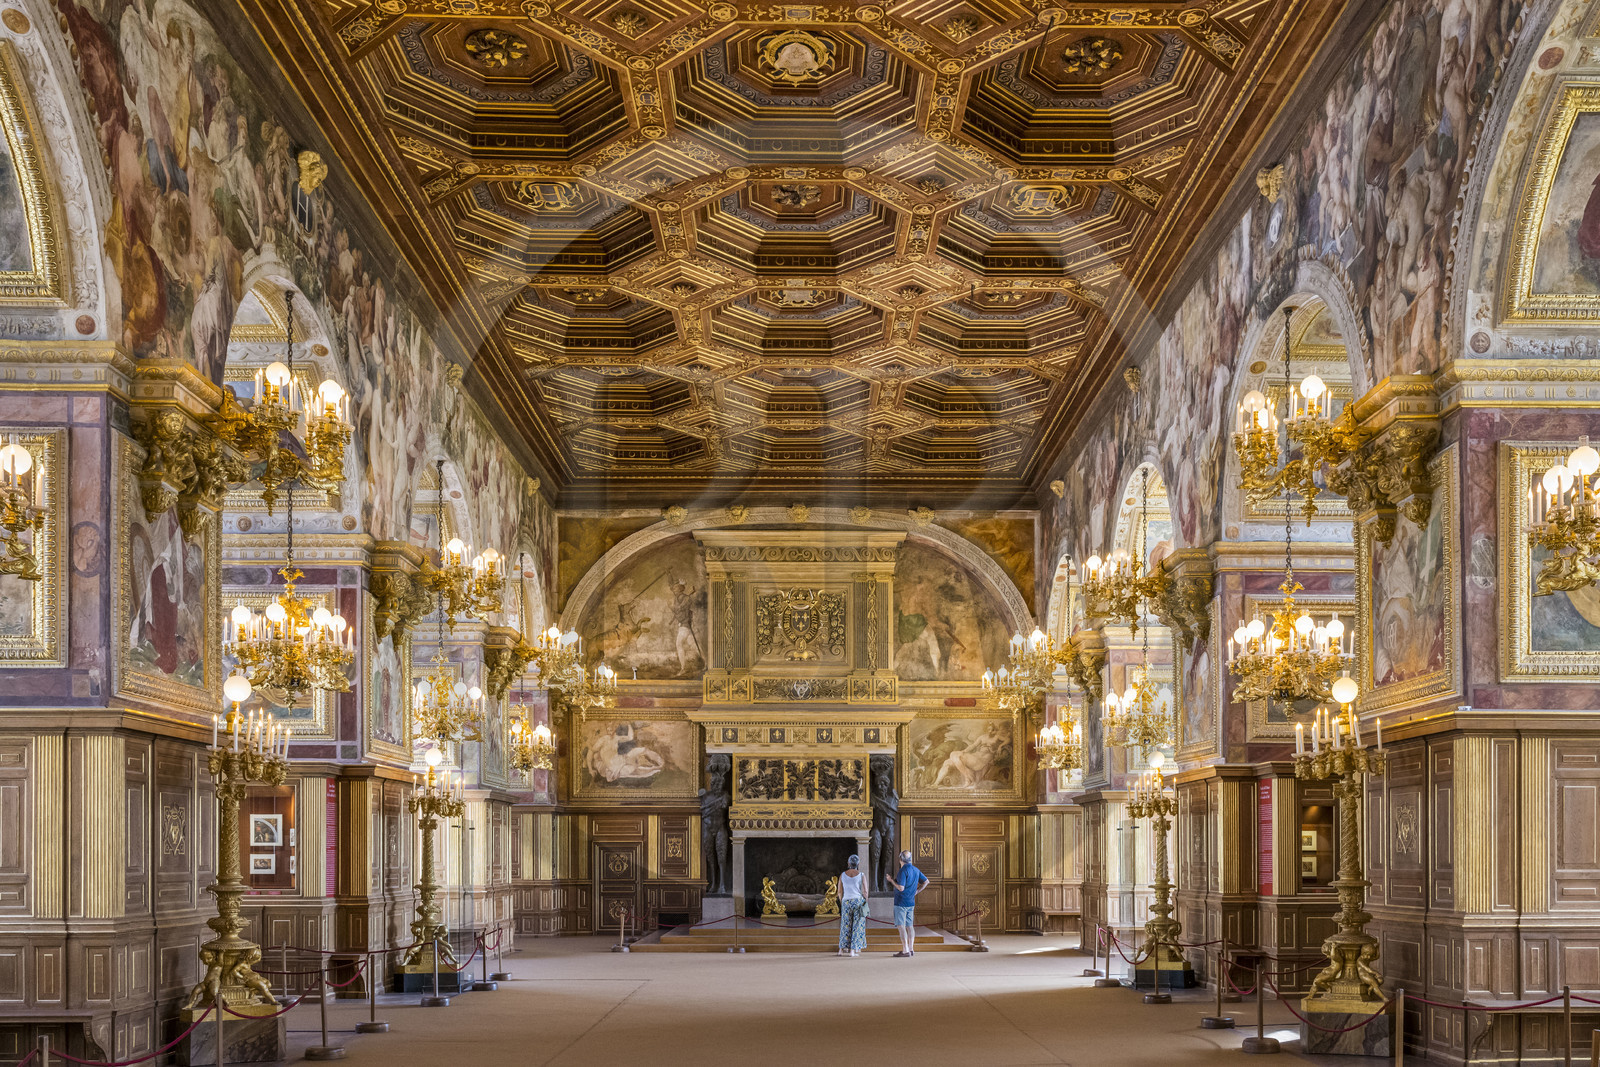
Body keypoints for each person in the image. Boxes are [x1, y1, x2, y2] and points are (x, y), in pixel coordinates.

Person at [889, 850, 928, 957]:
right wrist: (917, 891)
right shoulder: (915, 869)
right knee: (910, 926)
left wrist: (891, 880)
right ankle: (911, 949)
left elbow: (901, 888)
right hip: (911, 902)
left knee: (901, 926)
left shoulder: (903, 871)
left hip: (901, 902)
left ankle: (905, 949)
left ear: (900, 859)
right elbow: (926, 881)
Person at [836, 855, 868, 958]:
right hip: (857, 901)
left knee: (845, 925)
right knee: (856, 926)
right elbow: (865, 891)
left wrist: (842, 902)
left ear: (848, 863)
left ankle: (841, 950)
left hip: (846, 901)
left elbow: (839, 892)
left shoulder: (842, 875)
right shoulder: (861, 875)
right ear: (858, 864)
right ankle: (852, 951)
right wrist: (865, 902)